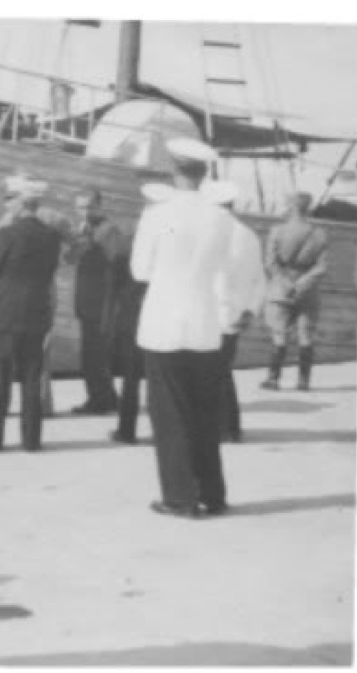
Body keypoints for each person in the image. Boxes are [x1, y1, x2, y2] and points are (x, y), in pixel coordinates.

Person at [131, 138, 234, 519]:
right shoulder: (220, 217)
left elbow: (140, 271)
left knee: (170, 414)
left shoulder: (157, 214)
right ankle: (212, 494)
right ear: (204, 174)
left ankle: (179, 498)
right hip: (205, 323)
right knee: (205, 413)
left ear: (174, 171)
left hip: (164, 323)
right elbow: (221, 269)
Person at [0, 176, 61, 452]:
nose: (5, 203)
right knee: (32, 377)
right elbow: (49, 273)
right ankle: (31, 439)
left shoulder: (6, 235)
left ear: (22, 202)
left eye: (9, 198)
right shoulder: (52, 237)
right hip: (37, 313)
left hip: (4, 313)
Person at [205, 180, 267, 442]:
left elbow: (216, 276)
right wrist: (250, 310)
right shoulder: (249, 235)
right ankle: (231, 426)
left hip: (210, 312)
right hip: (235, 315)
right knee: (222, 370)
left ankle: (221, 428)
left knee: (211, 373)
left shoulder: (210, 232)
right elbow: (259, 279)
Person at [108, 183, 167, 444]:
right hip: (160, 314)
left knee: (131, 377)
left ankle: (126, 430)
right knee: (159, 377)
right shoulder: (171, 241)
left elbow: (114, 282)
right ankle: (161, 430)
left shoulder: (127, 241)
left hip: (132, 315)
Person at [260, 191, 329, 391]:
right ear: (309, 208)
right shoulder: (320, 233)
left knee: (279, 335)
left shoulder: (277, 231)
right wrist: (303, 282)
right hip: (308, 292)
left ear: (291, 207)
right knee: (306, 336)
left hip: (280, 290)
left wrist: (285, 282)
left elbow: (270, 263)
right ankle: (303, 381)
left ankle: (273, 379)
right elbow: (322, 266)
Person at [68, 190, 123, 415]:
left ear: (100, 206)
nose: (85, 212)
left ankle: (101, 400)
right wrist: (77, 242)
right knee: (90, 354)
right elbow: (69, 259)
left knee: (97, 354)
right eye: (80, 207)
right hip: (86, 300)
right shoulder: (81, 229)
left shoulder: (109, 230)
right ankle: (104, 397)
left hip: (102, 301)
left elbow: (117, 261)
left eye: (89, 206)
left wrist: (92, 243)